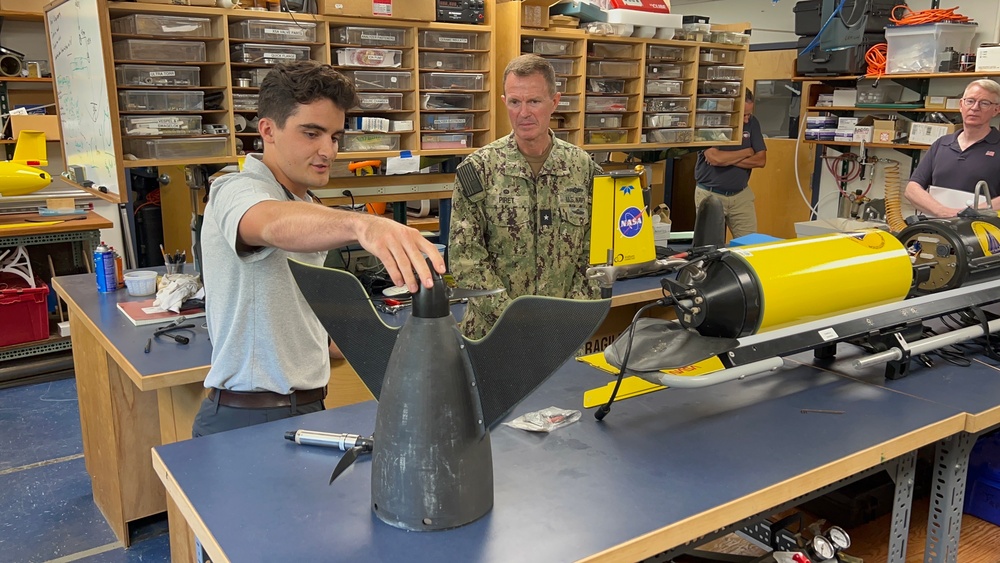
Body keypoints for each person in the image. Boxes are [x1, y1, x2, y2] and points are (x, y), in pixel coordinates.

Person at [193, 61, 445, 437]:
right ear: (268, 131)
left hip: (307, 408)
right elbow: (271, 224)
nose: (327, 150)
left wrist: (381, 340)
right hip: (247, 419)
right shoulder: (234, 190)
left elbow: (297, 316)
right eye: (311, 133)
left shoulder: (308, 205)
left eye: (335, 136)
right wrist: (362, 223)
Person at [448, 54, 601, 340]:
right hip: (494, 334)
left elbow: (596, 252)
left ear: (554, 102)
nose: (523, 113)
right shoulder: (478, 169)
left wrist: (573, 314)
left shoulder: (583, 168)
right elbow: (465, 258)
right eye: (515, 102)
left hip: (564, 332)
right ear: (505, 102)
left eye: (534, 101)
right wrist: (512, 321)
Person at [905, 78, 1000, 217]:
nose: (975, 108)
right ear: (961, 105)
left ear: (996, 110)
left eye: (984, 103)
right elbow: (912, 189)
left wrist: (972, 213)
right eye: (970, 101)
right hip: (937, 229)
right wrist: (941, 211)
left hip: (982, 232)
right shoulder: (942, 144)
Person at [693, 88, 767, 239]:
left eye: (749, 114)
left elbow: (761, 160)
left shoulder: (752, 123)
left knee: (750, 245)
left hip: (741, 195)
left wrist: (726, 159)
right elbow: (715, 158)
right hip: (710, 194)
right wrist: (746, 152)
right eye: (743, 115)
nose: (747, 119)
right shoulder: (708, 123)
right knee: (711, 247)